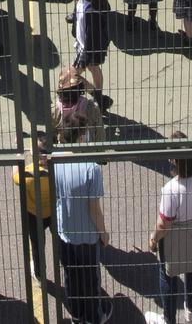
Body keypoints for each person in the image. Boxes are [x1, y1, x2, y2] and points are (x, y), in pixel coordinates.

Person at [147, 131, 192, 324]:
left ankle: (169, 318)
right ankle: (190, 308)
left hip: (177, 236)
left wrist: (153, 238)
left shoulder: (172, 189)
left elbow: (164, 224)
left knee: (167, 273)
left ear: (175, 160)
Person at [53, 112, 110, 324]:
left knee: (71, 276)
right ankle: (94, 317)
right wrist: (103, 233)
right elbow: (94, 208)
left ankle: (76, 313)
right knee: (90, 280)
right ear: (80, 137)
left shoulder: (55, 162)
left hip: (64, 231)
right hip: (86, 235)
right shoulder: (91, 168)